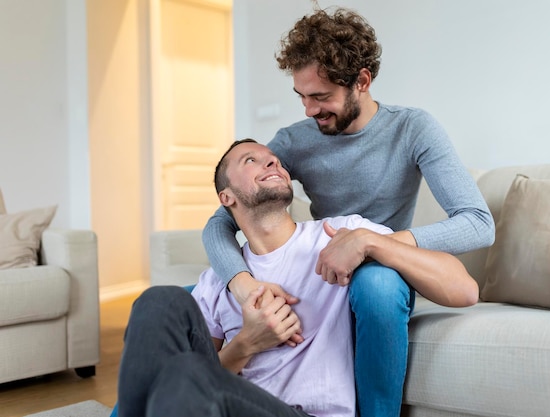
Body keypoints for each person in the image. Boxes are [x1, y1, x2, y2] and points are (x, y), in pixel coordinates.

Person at [203, 7, 495, 417]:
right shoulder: (294, 142)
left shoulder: (413, 129)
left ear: (362, 81)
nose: (308, 110)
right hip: (321, 269)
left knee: (375, 284)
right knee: (179, 302)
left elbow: (478, 224)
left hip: (383, 268)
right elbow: (222, 219)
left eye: (320, 97)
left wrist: (371, 243)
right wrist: (240, 283)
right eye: (301, 96)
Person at [117, 139, 478, 417]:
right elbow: (187, 377)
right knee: (158, 299)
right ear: (226, 197)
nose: (271, 160)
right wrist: (247, 343)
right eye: (250, 160)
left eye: (272, 158)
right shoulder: (221, 280)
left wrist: (371, 242)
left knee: (186, 374)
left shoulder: (341, 235)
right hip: (230, 405)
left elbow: (464, 289)